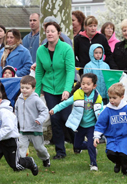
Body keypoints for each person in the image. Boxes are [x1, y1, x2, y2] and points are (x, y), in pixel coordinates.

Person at [35, 22, 75, 159]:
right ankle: (60, 152)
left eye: (53, 31)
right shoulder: (41, 50)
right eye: (47, 31)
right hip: (49, 89)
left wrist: (67, 90)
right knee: (55, 119)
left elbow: (70, 71)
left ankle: (77, 142)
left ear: (59, 33)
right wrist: (37, 92)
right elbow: (39, 72)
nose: (50, 33)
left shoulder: (66, 49)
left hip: (64, 88)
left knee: (66, 118)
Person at [50, 73, 103, 171]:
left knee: (91, 144)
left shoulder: (97, 97)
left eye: (88, 84)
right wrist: (55, 109)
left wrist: (101, 115)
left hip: (92, 125)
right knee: (77, 145)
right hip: (80, 125)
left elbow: (102, 109)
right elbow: (65, 103)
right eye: (83, 83)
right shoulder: (77, 95)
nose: (85, 86)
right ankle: (90, 146)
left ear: (94, 86)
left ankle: (93, 164)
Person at [93, 83, 127, 176]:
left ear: (122, 97)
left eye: (114, 98)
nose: (111, 100)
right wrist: (96, 136)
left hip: (125, 136)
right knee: (110, 154)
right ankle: (118, 163)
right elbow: (100, 123)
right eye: (110, 98)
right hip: (111, 137)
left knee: (123, 154)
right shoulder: (107, 110)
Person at [15, 75, 51, 167]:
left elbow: (44, 110)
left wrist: (40, 119)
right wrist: (15, 122)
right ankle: (21, 163)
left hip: (35, 129)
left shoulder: (36, 99)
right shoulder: (19, 99)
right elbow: (16, 111)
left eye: (27, 88)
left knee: (39, 148)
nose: (24, 90)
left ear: (33, 88)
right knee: (21, 147)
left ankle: (46, 158)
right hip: (23, 129)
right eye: (22, 87)